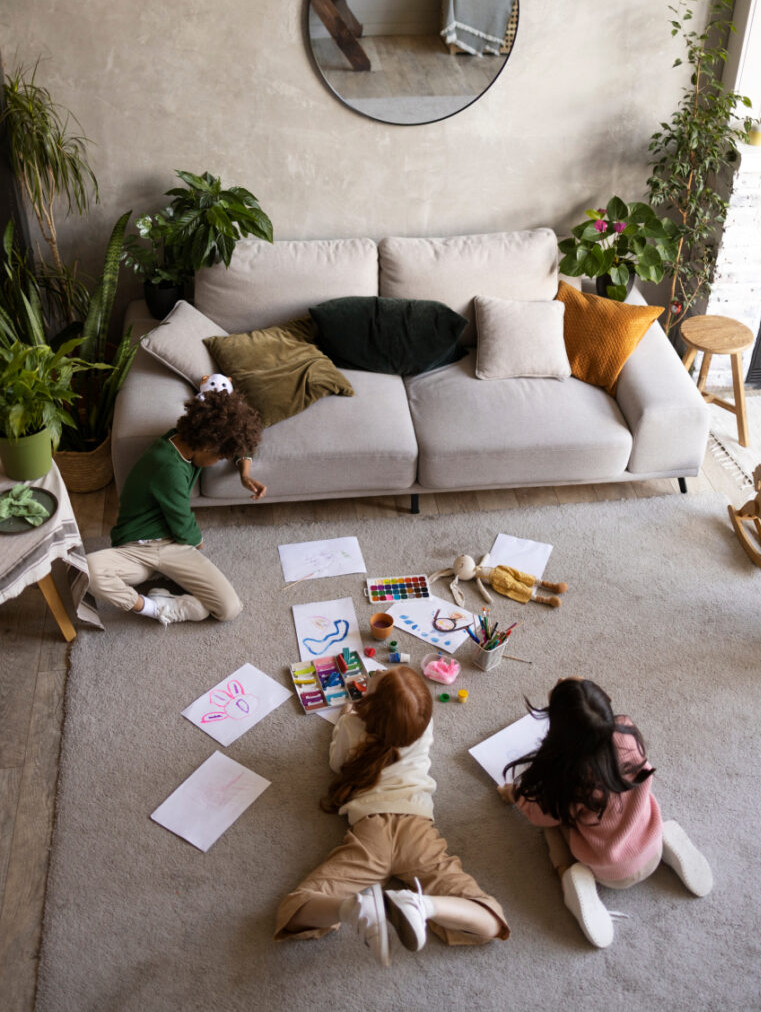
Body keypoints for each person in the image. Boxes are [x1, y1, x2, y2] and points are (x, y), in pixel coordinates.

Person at [275, 665, 509, 966]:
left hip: (371, 832)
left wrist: (346, 718)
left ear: (370, 707)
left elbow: (337, 764)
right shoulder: (423, 723)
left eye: (377, 677)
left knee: (295, 908)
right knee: (491, 920)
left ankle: (353, 909)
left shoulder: (351, 724)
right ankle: (424, 906)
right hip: (418, 831)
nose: (377, 672)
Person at [498, 677, 713, 948]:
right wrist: (575, 691)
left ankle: (570, 875)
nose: (563, 678)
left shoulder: (568, 776)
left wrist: (513, 794)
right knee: (631, 789)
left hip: (610, 872)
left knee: (551, 826)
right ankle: (662, 840)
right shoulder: (627, 733)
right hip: (651, 844)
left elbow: (538, 813)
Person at [87, 389, 266, 626]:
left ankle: (167, 586)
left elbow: (237, 439)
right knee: (88, 571)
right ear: (208, 445)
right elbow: (183, 524)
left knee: (229, 609)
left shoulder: (187, 438)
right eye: (219, 457)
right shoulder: (168, 466)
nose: (218, 461)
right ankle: (156, 607)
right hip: (136, 548)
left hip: (170, 545)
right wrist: (197, 542)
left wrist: (245, 474)